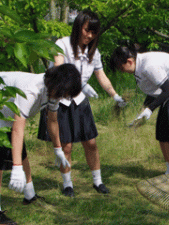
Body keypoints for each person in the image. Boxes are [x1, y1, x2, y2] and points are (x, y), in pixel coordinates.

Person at [38, 10, 126, 197]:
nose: (89, 35)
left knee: (91, 143)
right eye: (87, 30)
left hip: (79, 101)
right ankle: (67, 184)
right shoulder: (62, 44)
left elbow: (101, 76)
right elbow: (59, 68)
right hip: (61, 99)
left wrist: (115, 95)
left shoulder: (94, 52)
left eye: (93, 32)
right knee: (66, 145)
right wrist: (80, 84)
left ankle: (98, 181)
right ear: (78, 26)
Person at [0, 64, 81, 224]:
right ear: (59, 85)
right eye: (65, 93)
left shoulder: (52, 91)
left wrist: (58, 149)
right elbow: (18, 128)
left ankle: (29, 194)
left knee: (19, 149)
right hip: (1, 111)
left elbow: (52, 120)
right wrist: (16, 168)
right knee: (1, 159)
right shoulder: (31, 91)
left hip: (7, 114)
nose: (65, 97)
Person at [110, 46, 169, 174]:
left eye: (122, 68)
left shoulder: (148, 66)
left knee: (168, 134)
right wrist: (143, 110)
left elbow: (168, 90)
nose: (122, 72)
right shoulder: (140, 64)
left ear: (129, 61)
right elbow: (155, 88)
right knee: (162, 132)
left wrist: (150, 109)